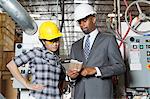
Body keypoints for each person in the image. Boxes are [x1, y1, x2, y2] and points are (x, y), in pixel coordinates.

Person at [67, 3, 126, 99]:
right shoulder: (75, 46)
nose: (82, 25)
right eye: (80, 22)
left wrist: (95, 70)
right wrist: (71, 77)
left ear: (94, 19)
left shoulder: (108, 40)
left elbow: (120, 67)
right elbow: (73, 74)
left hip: (101, 95)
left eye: (85, 21)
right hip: (79, 95)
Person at [6, 21, 66, 99]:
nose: (55, 44)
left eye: (57, 40)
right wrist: (27, 84)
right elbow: (11, 65)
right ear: (43, 41)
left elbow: (60, 82)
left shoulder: (57, 59)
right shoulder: (36, 52)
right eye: (51, 41)